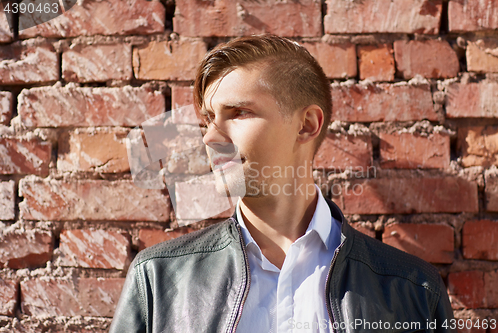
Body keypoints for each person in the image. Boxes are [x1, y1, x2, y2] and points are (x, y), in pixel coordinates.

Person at [110, 35, 455, 333]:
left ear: (306, 125)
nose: (211, 138)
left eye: (238, 113)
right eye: (209, 120)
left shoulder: (412, 289)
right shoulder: (159, 279)